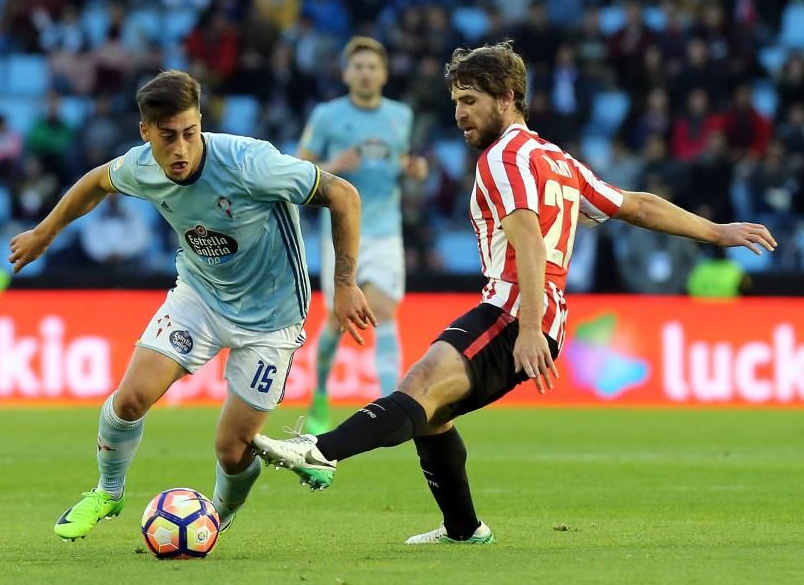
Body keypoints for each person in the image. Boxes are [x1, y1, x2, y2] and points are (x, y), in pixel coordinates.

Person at [252, 42, 777, 545]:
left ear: (506, 98)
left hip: (514, 312)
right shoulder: (552, 157)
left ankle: (318, 450)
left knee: (421, 383)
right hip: (530, 313)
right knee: (433, 411)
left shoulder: (503, 159)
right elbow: (633, 204)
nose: (459, 114)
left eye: (470, 101)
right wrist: (716, 231)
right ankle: (464, 529)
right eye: (455, 101)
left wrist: (527, 328)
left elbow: (526, 234)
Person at [8, 70, 374, 541]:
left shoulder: (249, 163)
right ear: (146, 133)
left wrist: (344, 283)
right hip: (199, 296)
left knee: (231, 447)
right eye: (167, 137)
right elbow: (96, 182)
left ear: (200, 122)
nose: (180, 149)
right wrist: (43, 233)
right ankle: (107, 491)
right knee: (131, 398)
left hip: (272, 318)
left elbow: (344, 194)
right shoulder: (141, 167)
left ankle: (217, 516)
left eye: (189, 133)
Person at [297, 36, 427, 434]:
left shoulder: (400, 116)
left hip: (386, 231)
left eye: (373, 67)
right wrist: (332, 164)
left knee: (384, 310)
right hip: (341, 233)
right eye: (359, 67)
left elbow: (404, 163)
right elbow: (298, 167)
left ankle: (394, 409)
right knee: (339, 320)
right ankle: (320, 395)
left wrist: (414, 170)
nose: (366, 73)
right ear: (346, 73)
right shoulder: (327, 115)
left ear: (384, 74)